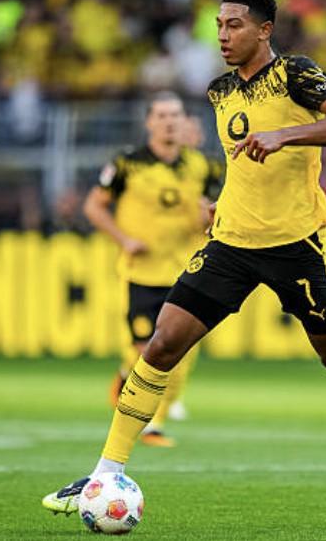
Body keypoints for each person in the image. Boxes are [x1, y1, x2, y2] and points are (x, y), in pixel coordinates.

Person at [42, 0, 326, 515]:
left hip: (297, 246)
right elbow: (243, 167)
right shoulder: (219, 91)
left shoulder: (296, 73)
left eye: (234, 25)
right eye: (218, 25)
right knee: (161, 345)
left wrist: (285, 136)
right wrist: (220, 205)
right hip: (231, 243)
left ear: (264, 30)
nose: (222, 34)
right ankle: (103, 474)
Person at [83, 92, 215, 447]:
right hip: (142, 272)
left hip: (186, 271)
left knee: (181, 352)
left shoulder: (202, 166)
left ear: (183, 121)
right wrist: (123, 240)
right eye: (162, 115)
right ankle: (128, 377)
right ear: (149, 122)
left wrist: (208, 216)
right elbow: (94, 206)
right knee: (146, 351)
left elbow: (212, 214)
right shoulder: (127, 164)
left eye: (175, 115)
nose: (169, 121)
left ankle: (154, 423)